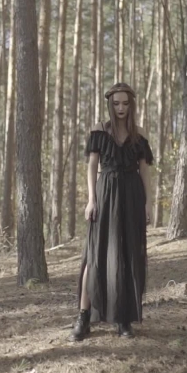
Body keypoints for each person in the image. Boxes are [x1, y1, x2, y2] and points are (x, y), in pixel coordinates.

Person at [68, 82, 153, 341]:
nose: (121, 108)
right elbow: (92, 167)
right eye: (116, 103)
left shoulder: (139, 135)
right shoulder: (99, 132)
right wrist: (91, 200)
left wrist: (148, 203)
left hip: (132, 197)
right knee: (95, 256)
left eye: (125, 103)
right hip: (105, 197)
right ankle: (84, 318)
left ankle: (123, 319)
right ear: (109, 103)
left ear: (132, 104)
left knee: (127, 256)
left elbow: (145, 172)